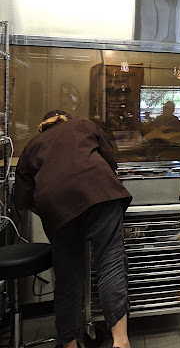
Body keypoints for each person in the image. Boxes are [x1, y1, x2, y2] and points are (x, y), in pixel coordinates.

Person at [14, 110, 133, 348]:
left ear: (43, 125)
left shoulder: (31, 146)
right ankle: (121, 341)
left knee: (67, 277)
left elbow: (23, 198)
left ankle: (69, 344)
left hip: (58, 208)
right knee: (110, 262)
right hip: (100, 192)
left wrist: (54, 210)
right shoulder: (83, 125)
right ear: (65, 118)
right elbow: (111, 161)